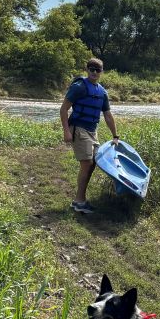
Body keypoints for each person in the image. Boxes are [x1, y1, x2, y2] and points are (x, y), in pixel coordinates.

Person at [60, 58, 118, 214]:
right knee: (86, 164)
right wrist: (66, 131)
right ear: (87, 70)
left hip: (93, 130)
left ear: (102, 72)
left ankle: (80, 200)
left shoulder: (102, 92)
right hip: (78, 128)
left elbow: (107, 115)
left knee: (93, 164)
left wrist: (115, 136)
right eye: (91, 69)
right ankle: (79, 202)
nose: (94, 72)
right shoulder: (79, 87)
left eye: (97, 70)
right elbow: (64, 109)